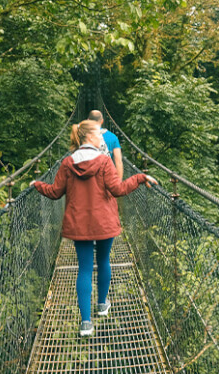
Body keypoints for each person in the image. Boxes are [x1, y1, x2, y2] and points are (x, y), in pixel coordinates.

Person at [31, 120, 157, 336]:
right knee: (104, 261)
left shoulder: (67, 163)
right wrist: (140, 177)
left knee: (85, 269)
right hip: (104, 222)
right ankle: (102, 304)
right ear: (90, 136)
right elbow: (117, 189)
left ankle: (86, 323)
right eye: (99, 134)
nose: (102, 139)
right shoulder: (104, 161)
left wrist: (36, 185)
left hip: (79, 225)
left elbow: (54, 192)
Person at [87, 110, 123, 180]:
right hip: (107, 177)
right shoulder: (113, 137)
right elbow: (118, 162)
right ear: (102, 121)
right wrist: (119, 184)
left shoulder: (82, 136)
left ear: (88, 120)